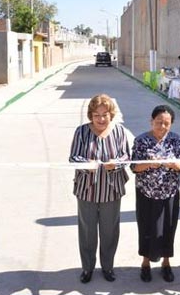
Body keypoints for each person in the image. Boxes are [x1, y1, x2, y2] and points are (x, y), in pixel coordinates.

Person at [69, 94, 130, 284]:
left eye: (105, 114)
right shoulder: (81, 132)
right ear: (90, 116)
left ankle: (108, 266)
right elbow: (73, 158)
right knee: (87, 230)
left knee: (109, 230)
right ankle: (87, 268)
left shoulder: (119, 131)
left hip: (111, 190)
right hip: (87, 189)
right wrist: (87, 163)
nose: (101, 119)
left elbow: (127, 156)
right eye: (96, 115)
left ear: (111, 115)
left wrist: (117, 164)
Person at [130, 105, 180, 283]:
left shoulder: (175, 140)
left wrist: (173, 164)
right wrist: (148, 164)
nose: (162, 127)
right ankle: (145, 263)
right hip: (146, 192)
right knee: (146, 227)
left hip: (169, 192)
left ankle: (166, 263)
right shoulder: (141, 140)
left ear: (172, 124)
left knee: (168, 228)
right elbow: (134, 168)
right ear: (151, 121)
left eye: (166, 123)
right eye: (158, 122)